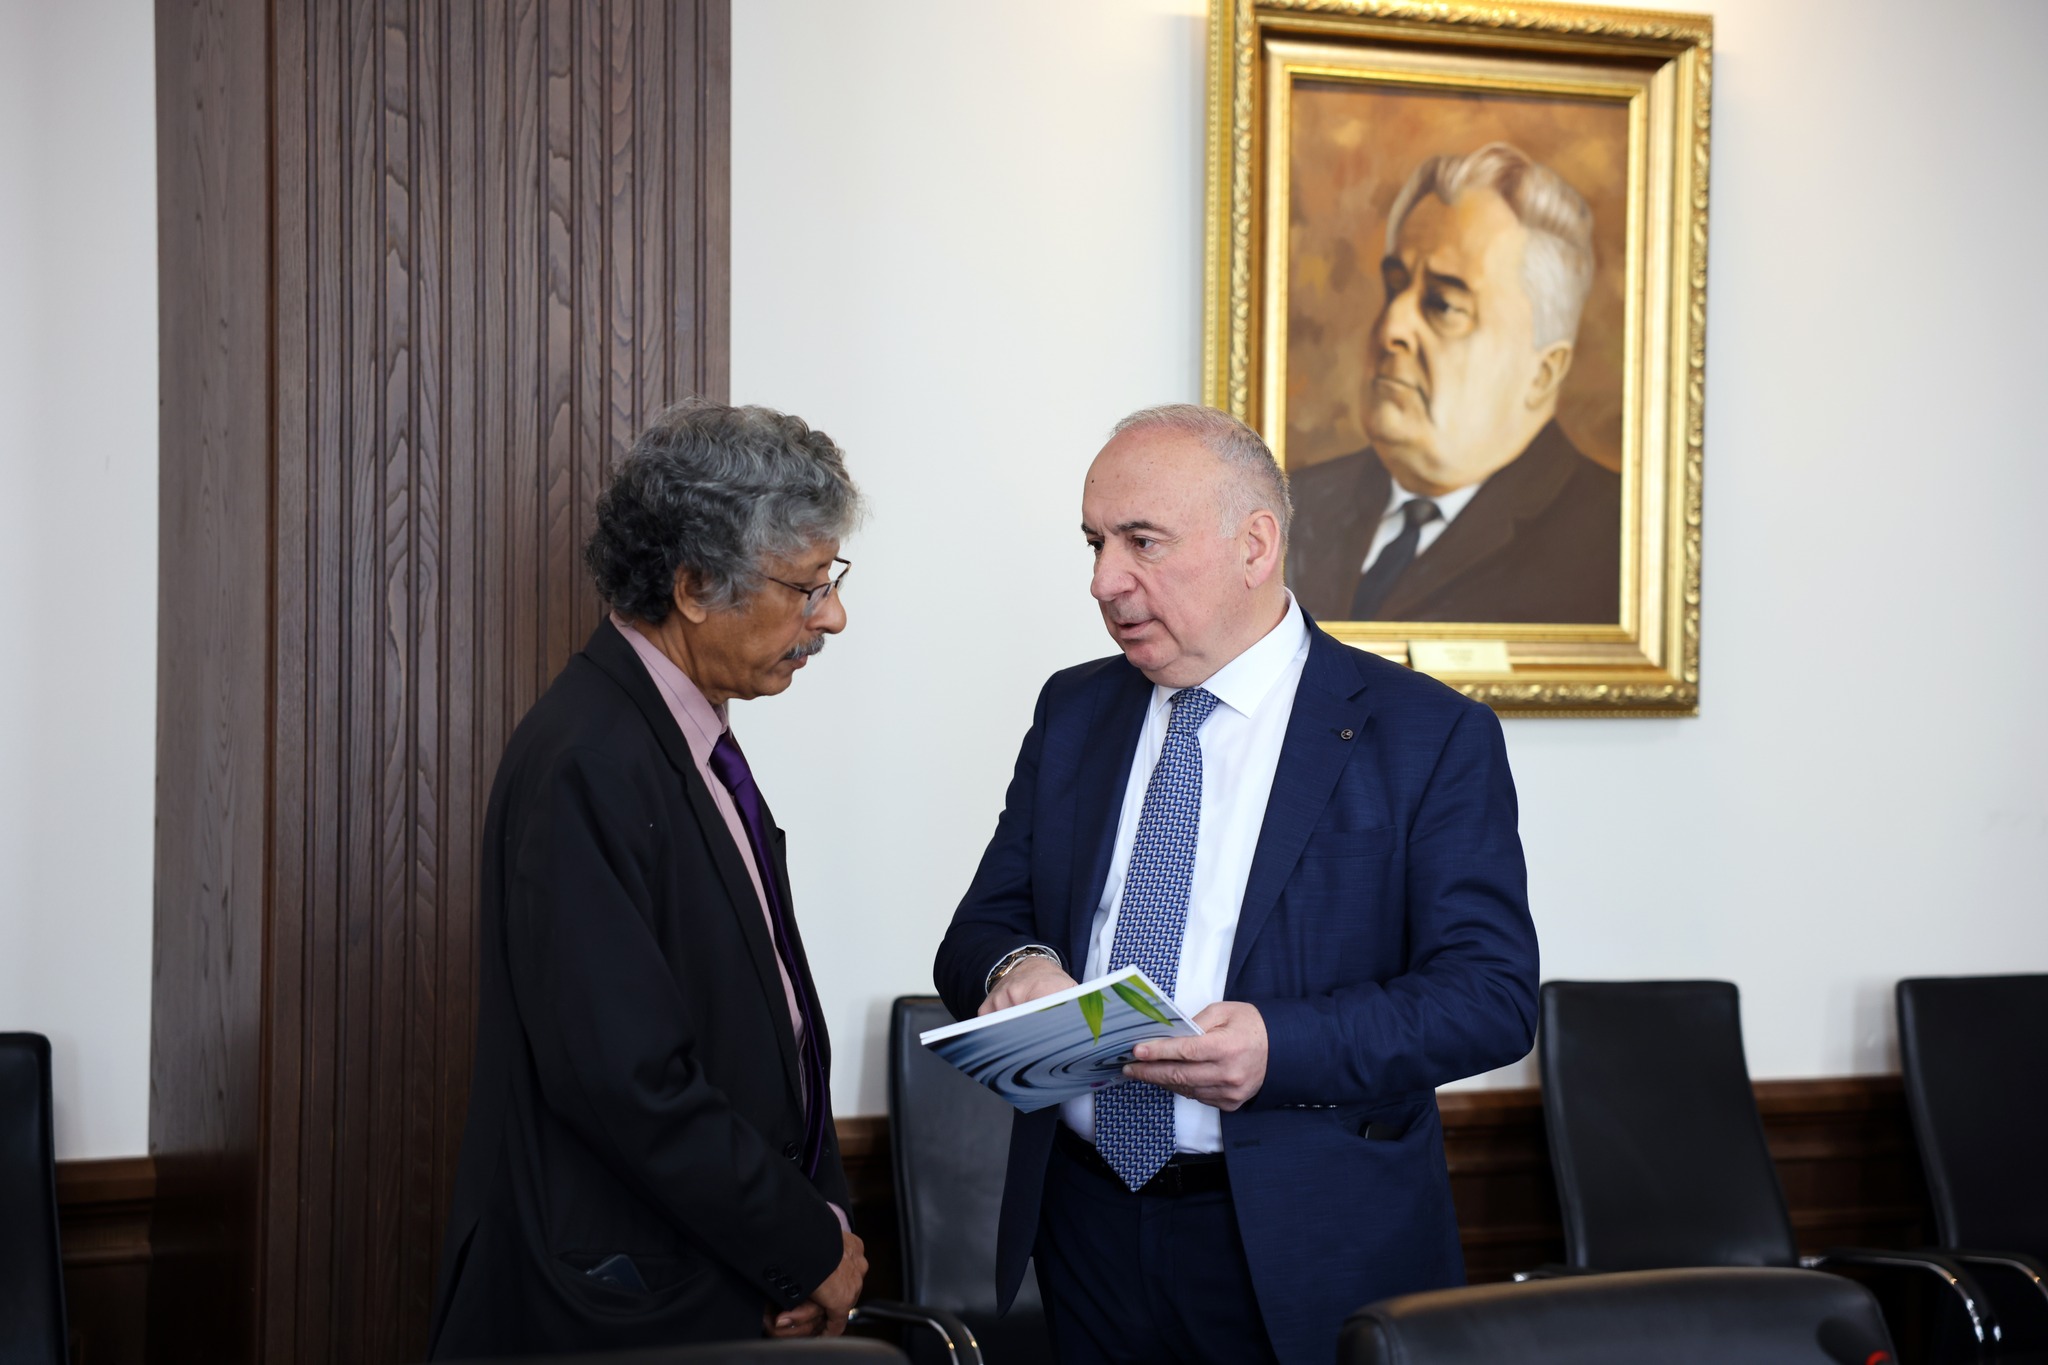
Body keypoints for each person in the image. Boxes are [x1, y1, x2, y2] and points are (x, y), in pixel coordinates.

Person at [934, 404, 1539, 1365]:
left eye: (1142, 542)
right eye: (1095, 543)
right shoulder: (1075, 708)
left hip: (1304, 1238)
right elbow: (983, 924)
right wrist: (1021, 966)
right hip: (1086, 1223)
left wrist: (1279, 1046)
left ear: (1255, 546)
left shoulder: (1425, 735)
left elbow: (1490, 998)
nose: (1104, 580)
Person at [429, 400, 868, 1356]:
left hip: (725, 1274)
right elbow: (629, 1084)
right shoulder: (589, 757)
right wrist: (801, 1246)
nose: (831, 616)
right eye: (806, 587)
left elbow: (774, 1026)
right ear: (696, 585)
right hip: (624, 1307)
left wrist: (814, 1234)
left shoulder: (676, 735)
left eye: (830, 581)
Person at [1287, 142, 1621, 624]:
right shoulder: (1294, 507)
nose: (1391, 327)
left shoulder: (1615, 545)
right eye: (1395, 288)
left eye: (1443, 305)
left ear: (1543, 373)